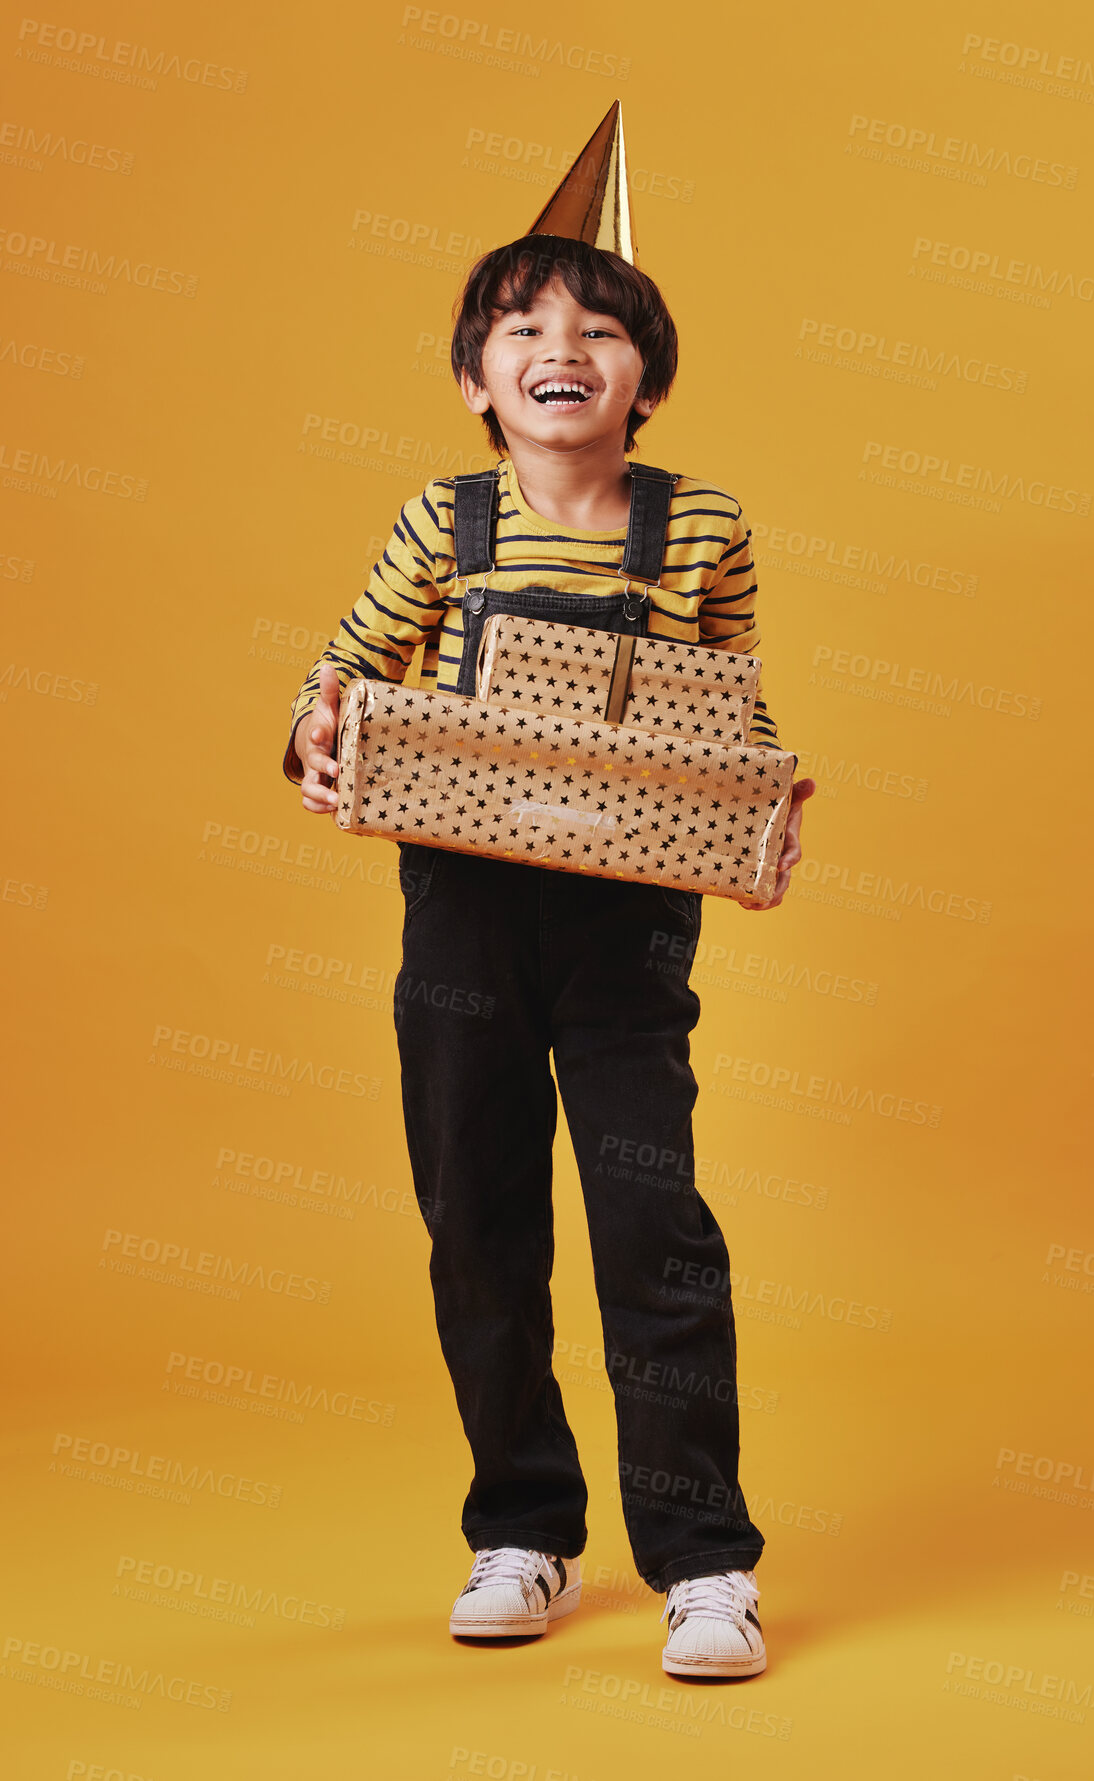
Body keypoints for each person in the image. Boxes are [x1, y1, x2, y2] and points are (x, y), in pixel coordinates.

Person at [282, 112, 814, 1680]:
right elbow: (341, 672)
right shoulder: (438, 524)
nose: (558, 346)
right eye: (522, 327)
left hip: (629, 921)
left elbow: (735, 706)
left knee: (654, 1222)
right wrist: (315, 734)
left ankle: (705, 1562)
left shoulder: (700, 525)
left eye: (597, 328)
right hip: (462, 911)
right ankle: (522, 1529)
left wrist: (770, 802)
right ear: (475, 379)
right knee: (480, 1219)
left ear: (645, 374)